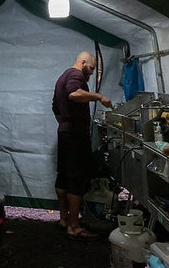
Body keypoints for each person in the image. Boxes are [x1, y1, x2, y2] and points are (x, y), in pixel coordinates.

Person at [52, 51, 112, 241]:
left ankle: (63, 219)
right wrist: (99, 97)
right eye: (92, 68)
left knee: (63, 176)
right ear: (83, 62)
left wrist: (65, 122)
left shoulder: (63, 76)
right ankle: (74, 226)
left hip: (64, 132)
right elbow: (74, 94)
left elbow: (55, 106)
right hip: (76, 135)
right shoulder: (75, 75)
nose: (92, 73)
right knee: (77, 178)